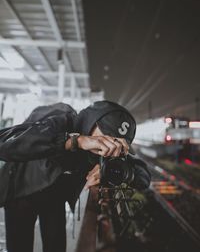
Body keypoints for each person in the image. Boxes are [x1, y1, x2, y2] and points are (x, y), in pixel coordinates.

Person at [0, 100, 151, 252]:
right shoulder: (62, 121)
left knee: (56, 247)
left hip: (55, 196)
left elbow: (144, 176)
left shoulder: (109, 151)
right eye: (105, 137)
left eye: (115, 143)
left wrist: (112, 171)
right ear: (91, 122)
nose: (107, 146)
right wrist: (75, 141)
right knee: (19, 246)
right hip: (21, 191)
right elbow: (4, 142)